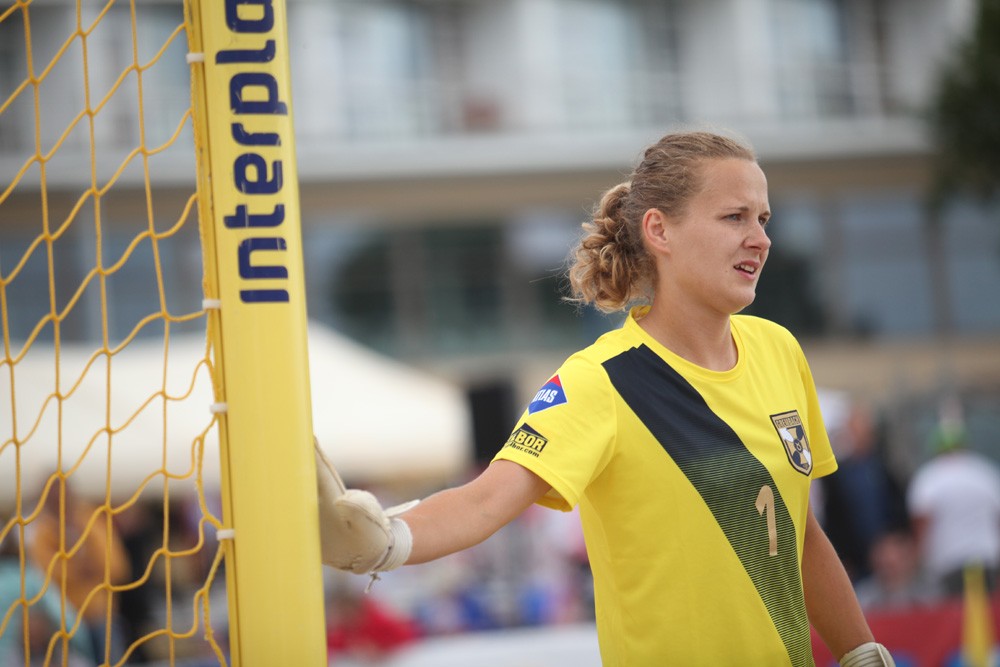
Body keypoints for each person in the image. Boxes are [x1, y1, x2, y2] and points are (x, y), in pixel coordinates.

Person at [316, 130, 893, 666]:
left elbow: (800, 534)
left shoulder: (780, 350)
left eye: (764, 218)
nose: (760, 238)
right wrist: (387, 540)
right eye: (733, 216)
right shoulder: (600, 380)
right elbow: (483, 501)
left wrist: (862, 652)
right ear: (659, 231)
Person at [906, 416, 1000, 598]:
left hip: (948, 560)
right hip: (987, 557)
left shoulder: (929, 477)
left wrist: (917, 561)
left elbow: (922, 523)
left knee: (954, 618)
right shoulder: (985, 472)